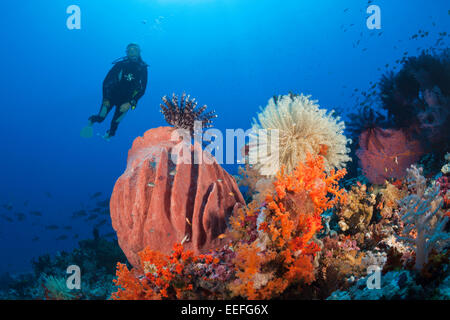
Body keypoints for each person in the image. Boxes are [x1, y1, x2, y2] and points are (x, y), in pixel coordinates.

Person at [81, 43, 148, 140]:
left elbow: (142, 89)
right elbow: (106, 82)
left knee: (115, 124)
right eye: (130, 50)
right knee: (100, 118)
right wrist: (106, 98)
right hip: (111, 96)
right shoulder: (120, 65)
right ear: (127, 53)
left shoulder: (143, 68)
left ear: (139, 52)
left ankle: (108, 136)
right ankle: (91, 120)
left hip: (126, 100)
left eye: (135, 50)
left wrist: (130, 103)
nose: (132, 52)